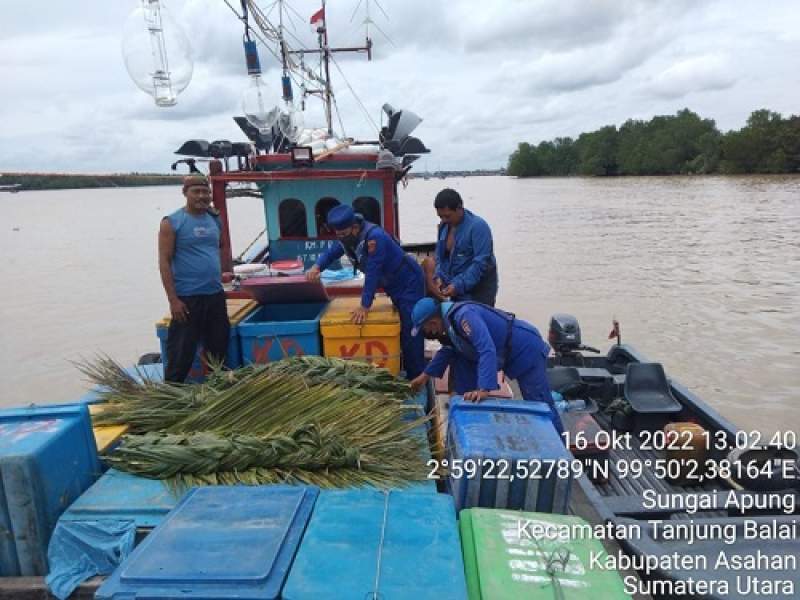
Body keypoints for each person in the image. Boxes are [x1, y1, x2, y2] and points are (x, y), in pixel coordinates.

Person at [408, 297, 564, 435]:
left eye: (425, 329)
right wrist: (424, 377)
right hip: (505, 353)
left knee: (540, 405)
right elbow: (448, 349)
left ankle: (561, 454)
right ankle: (469, 428)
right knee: (460, 359)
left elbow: (486, 348)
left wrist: (483, 389)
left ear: (433, 322)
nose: (427, 333)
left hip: (525, 349)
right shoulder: (449, 323)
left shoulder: (464, 316)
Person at [306, 205, 425, 379]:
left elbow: (373, 272)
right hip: (391, 284)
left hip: (408, 281)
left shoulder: (375, 237)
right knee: (403, 327)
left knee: (411, 329)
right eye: (338, 235)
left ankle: (416, 377)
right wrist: (317, 267)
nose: (342, 239)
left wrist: (364, 305)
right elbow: (332, 252)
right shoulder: (347, 238)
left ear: (354, 227)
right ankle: (406, 368)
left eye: (344, 235)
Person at [158, 175, 229, 382]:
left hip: (215, 295)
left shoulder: (215, 218)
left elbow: (217, 249)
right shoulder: (172, 222)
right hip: (187, 299)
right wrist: (173, 300)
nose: (202, 196)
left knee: (218, 351)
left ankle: (217, 392)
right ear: (185, 193)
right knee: (181, 354)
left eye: (205, 192)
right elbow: (164, 262)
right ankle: (171, 396)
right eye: (196, 192)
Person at [425, 188, 498, 306]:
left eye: (447, 216)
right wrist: (438, 278)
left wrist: (457, 285)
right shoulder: (444, 226)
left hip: (479, 292)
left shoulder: (478, 227)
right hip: (454, 288)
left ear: (459, 208)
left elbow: (480, 264)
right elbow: (440, 257)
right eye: (440, 216)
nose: (443, 220)